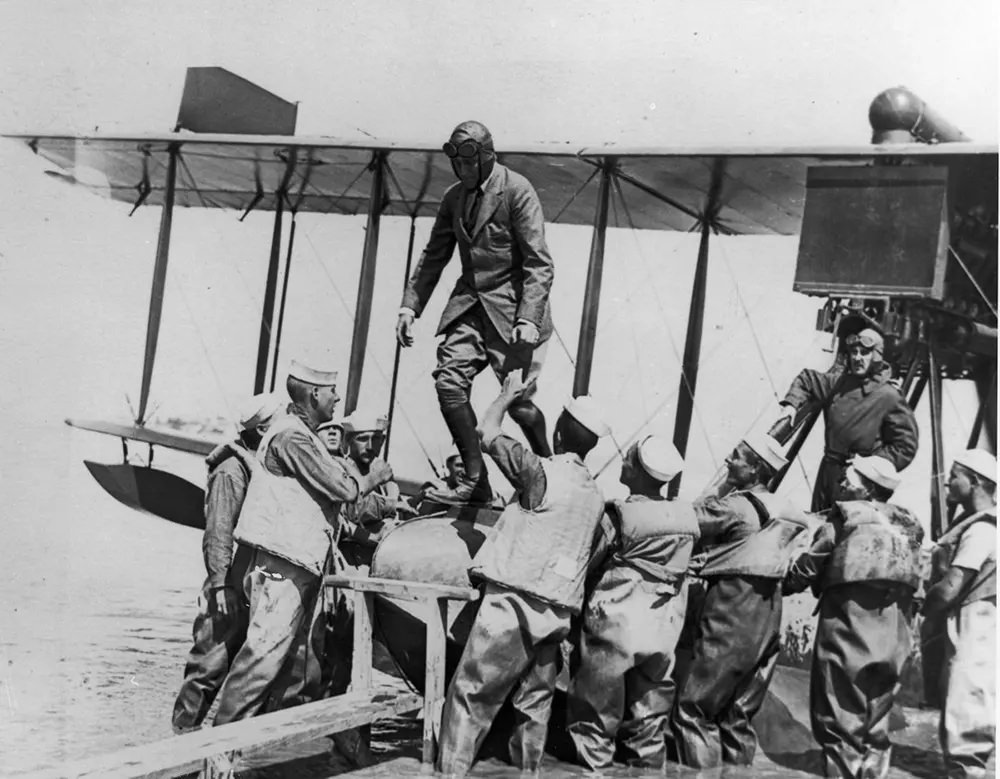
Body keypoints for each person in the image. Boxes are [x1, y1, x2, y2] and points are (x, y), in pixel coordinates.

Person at [436, 375, 610, 777]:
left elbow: (486, 432)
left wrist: (504, 396)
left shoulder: (539, 473)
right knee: (534, 708)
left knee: (471, 697)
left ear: (561, 432)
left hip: (512, 606)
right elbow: (595, 548)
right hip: (556, 615)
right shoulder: (594, 496)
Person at [211, 360, 393, 725]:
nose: (337, 398)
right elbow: (343, 489)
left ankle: (260, 754)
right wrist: (373, 478)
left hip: (297, 565)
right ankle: (217, 752)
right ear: (314, 393)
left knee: (290, 664)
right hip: (283, 566)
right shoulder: (291, 436)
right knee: (261, 660)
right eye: (332, 392)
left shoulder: (300, 436)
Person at [396, 120, 555, 504]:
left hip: (512, 312)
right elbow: (435, 254)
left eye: (470, 163)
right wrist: (409, 305)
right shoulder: (453, 198)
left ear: (487, 158)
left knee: (517, 404)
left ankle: (551, 466)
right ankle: (475, 479)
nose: (463, 171)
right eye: (457, 164)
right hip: (470, 305)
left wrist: (528, 319)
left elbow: (539, 263)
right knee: (448, 382)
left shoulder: (517, 191)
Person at [672, 433, 812, 769]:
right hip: (771, 611)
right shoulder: (790, 511)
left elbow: (686, 520)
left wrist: (719, 491)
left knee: (694, 709)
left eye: (737, 457)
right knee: (739, 716)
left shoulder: (734, 507)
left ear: (754, 470)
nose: (727, 461)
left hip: (733, 605)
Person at [784, 455, 923, 779]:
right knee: (877, 712)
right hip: (894, 628)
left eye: (850, 479)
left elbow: (811, 563)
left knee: (839, 704)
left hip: (848, 622)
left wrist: (782, 587)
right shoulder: (909, 521)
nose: (843, 483)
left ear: (867, 488)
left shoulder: (845, 518)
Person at [566, 435, 696, 770]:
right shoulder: (687, 518)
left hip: (616, 625)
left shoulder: (621, 515)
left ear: (638, 470)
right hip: (663, 629)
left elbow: (587, 560)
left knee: (594, 723)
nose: (622, 462)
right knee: (650, 723)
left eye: (628, 458)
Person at [171, 392, 284, 733]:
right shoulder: (231, 470)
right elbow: (218, 530)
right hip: (231, 583)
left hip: (256, 580)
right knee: (209, 667)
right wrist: (221, 584)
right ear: (263, 429)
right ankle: (181, 747)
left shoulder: (263, 464)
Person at [775, 327, 918, 511]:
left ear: (876, 356)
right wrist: (791, 405)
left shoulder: (888, 396)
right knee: (818, 526)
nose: (857, 357)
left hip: (858, 482)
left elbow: (906, 446)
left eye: (864, 353)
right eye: (854, 352)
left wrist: (871, 466)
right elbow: (807, 379)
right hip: (828, 471)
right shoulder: (840, 383)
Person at [924, 448, 997, 779]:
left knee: (966, 709)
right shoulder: (975, 524)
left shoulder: (982, 530)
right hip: (973, 622)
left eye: (955, 475)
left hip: (975, 625)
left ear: (977, 482)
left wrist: (924, 603)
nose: (949, 482)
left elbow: (951, 586)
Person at [339, 411, 416, 564]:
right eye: (362, 439)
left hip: (379, 560)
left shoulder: (386, 479)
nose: (370, 446)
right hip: (348, 559)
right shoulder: (340, 470)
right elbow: (350, 511)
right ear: (347, 441)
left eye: (376, 439)